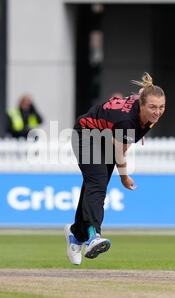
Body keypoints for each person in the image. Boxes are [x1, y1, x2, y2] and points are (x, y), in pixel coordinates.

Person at [65, 72, 166, 265]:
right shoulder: (127, 121)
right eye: (152, 107)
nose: (157, 112)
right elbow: (121, 153)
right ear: (142, 105)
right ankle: (94, 236)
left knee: (93, 185)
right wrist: (124, 177)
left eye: (161, 107)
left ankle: (76, 234)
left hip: (107, 137)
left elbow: (124, 142)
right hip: (85, 135)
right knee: (98, 184)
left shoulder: (148, 109)